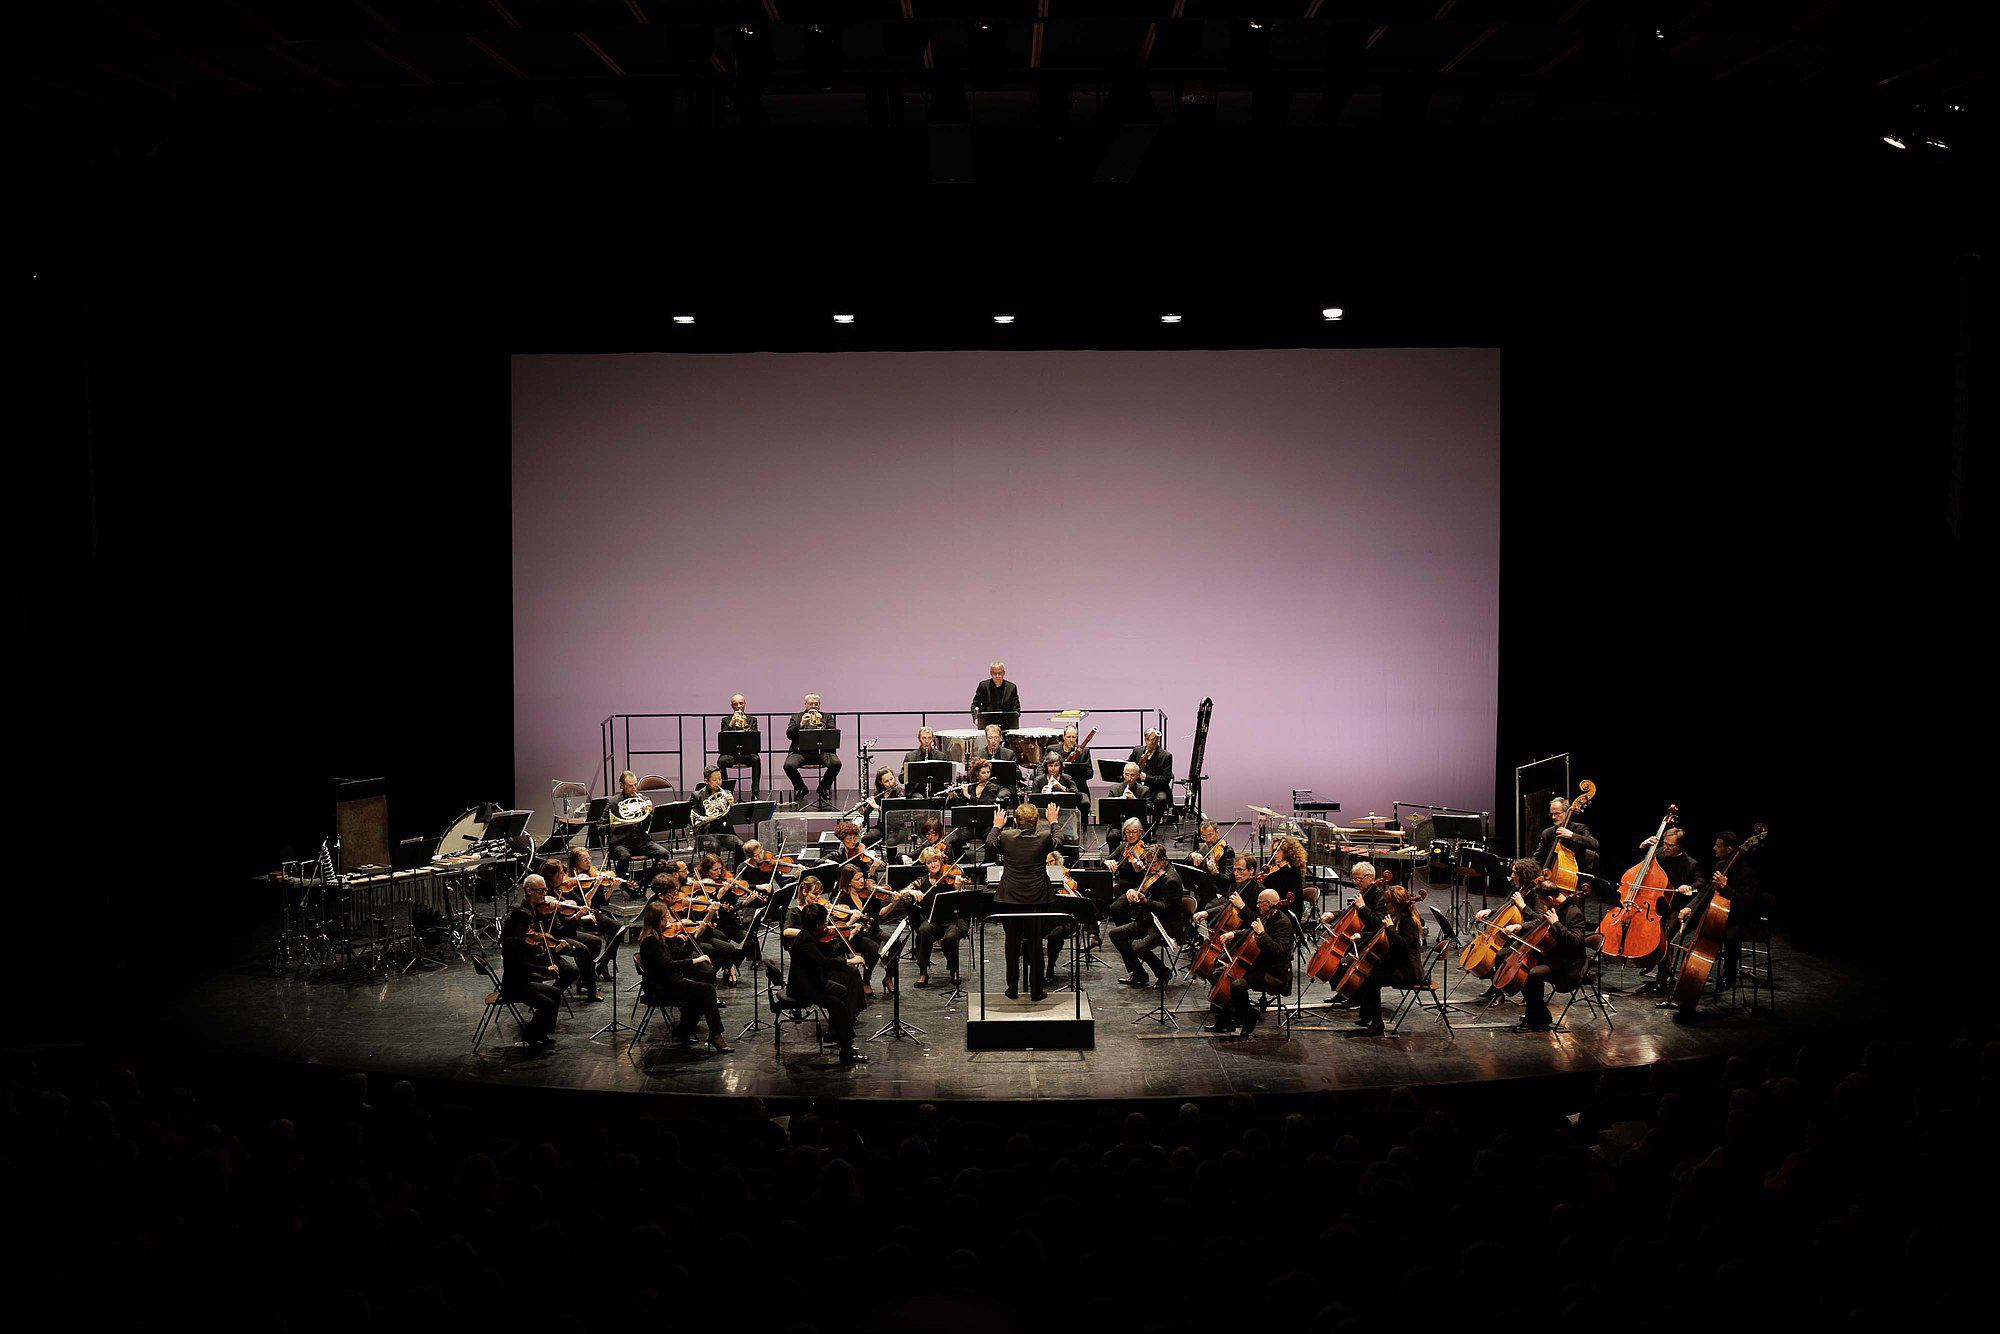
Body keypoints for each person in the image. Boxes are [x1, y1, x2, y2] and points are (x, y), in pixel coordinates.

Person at [1662, 828, 1769, 1013]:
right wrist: (1690, 907)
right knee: (1683, 925)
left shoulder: (1748, 872)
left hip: (1740, 918)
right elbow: (1706, 891)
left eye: (1718, 846)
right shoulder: (1721, 865)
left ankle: (1729, 974)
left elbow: (1745, 903)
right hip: (1717, 914)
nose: (1714, 848)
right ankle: (1670, 978)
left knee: (1730, 935)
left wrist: (1725, 888)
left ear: (1729, 849)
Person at [985, 801, 1062, 1000]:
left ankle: (1012, 989)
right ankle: (1036, 991)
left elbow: (990, 844)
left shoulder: (1006, 837)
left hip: (1010, 898)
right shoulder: (1043, 838)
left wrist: (996, 826)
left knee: (1011, 944)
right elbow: (1059, 841)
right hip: (1036, 898)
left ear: (1016, 821)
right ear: (1036, 822)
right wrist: (1053, 821)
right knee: (1035, 945)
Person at [636, 900, 732, 1054]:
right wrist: (696, 960)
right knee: (707, 991)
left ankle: (684, 1030)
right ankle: (715, 1035)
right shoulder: (650, 941)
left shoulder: (661, 937)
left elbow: (678, 955)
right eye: (666, 917)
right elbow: (668, 965)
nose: (670, 920)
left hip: (670, 982)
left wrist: (696, 935)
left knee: (703, 993)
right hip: (660, 988)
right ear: (658, 920)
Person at [1209, 888, 1297, 1039]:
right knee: (1220, 971)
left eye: (1259, 903)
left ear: (1269, 903)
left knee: (1237, 985)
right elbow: (1250, 932)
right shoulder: (1267, 915)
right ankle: (1226, 1020)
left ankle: (1248, 1015)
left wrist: (1262, 933)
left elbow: (1277, 952)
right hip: (1259, 964)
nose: (1257, 906)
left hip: (1273, 972)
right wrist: (1233, 934)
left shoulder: (1283, 924)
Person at [787, 903, 867, 1065]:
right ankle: (846, 1050)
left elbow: (830, 951)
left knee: (842, 992)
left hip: (815, 982)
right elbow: (824, 961)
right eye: (824, 921)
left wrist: (849, 936)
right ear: (817, 925)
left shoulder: (809, 935)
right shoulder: (806, 941)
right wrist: (849, 961)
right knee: (838, 1005)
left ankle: (835, 1033)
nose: (827, 924)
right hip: (804, 988)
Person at [1347, 882, 1424, 1037]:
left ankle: (1377, 1024)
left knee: (1372, 980)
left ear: (1396, 904)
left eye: (1388, 903)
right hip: (1399, 964)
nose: (1386, 906)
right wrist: (1361, 935)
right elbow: (1380, 933)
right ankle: (1368, 1015)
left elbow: (1402, 945)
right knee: (1368, 974)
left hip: (1408, 970)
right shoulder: (1397, 917)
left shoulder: (1408, 921)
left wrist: (1390, 928)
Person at [1636, 826, 1706, 994]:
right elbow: (1641, 867)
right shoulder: (1659, 854)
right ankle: (1650, 958)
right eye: (1665, 843)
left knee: (1665, 937)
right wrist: (1643, 847)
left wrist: (1688, 886)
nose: (1666, 847)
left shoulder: (1690, 864)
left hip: (1677, 906)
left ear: (1679, 846)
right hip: (1657, 903)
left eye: (1670, 845)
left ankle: (1662, 979)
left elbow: (1701, 882)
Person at [1110, 845, 1182, 990]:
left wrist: (1145, 901)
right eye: (1148, 863)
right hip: (1149, 920)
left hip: (1165, 925)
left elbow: (1165, 908)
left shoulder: (1171, 880)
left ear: (1163, 861)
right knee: (1115, 934)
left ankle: (1163, 973)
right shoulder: (1153, 873)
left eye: (1153, 863)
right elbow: (1143, 888)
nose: (1149, 867)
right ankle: (1139, 974)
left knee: (1138, 948)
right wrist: (1133, 891)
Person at [525, 869, 603, 1002]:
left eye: (545, 890)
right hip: (540, 949)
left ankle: (586, 980)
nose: (544, 894)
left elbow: (560, 931)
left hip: (555, 939)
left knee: (592, 944)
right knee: (583, 951)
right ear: (529, 891)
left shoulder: (548, 907)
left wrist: (577, 916)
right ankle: (588, 988)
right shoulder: (522, 912)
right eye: (540, 891)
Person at [499, 891, 561, 1047]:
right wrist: (546, 969)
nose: (531, 928)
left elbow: (532, 959)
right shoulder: (511, 942)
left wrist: (552, 951)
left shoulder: (520, 939)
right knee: (547, 1003)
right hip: (514, 987)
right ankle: (531, 1035)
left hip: (523, 982)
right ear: (521, 926)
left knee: (555, 993)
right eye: (529, 924)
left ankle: (543, 1031)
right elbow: (523, 966)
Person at [911, 846, 968, 988]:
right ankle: (923, 971)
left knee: (951, 936)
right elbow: (902, 892)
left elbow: (962, 902)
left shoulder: (950, 877)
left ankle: (954, 969)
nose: (933, 865)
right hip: (933, 919)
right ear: (925, 865)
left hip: (954, 918)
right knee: (923, 930)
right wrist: (913, 892)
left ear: (941, 860)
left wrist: (958, 888)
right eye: (929, 862)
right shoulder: (921, 881)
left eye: (935, 860)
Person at [608, 770, 671, 883]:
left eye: (635, 785)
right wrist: (618, 824)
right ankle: (623, 884)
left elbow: (648, 826)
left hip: (641, 841)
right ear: (621, 785)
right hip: (621, 843)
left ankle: (647, 880)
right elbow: (600, 826)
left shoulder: (643, 801)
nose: (634, 789)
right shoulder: (613, 802)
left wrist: (649, 814)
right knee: (624, 856)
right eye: (630, 786)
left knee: (664, 854)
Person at [783, 693, 841, 805]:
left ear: (820, 704)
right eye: (810, 704)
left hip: (822, 752)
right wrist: (801, 724)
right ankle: (800, 788)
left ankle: (824, 787)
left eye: (816, 704)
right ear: (805, 704)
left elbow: (832, 733)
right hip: (801, 752)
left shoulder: (827, 717)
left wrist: (822, 722)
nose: (813, 707)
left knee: (836, 764)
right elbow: (789, 735)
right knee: (788, 765)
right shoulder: (796, 717)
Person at [689, 765, 743, 858]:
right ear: (706, 781)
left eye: (720, 779)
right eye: (714, 780)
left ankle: (737, 868)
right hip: (707, 832)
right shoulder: (697, 795)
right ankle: (713, 867)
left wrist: (732, 806)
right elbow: (692, 816)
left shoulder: (727, 794)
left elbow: (731, 817)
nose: (718, 782)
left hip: (725, 831)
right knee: (715, 846)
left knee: (740, 846)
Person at [1127, 729, 1174, 827]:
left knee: (1161, 799)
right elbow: (1128, 765)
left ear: (1158, 740)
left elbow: (1165, 779)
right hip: (1139, 787)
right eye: (1148, 739)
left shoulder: (1166, 756)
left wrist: (1147, 778)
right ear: (1145, 739)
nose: (1150, 742)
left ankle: (1153, 828)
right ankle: (1133, 826)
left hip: (1157, 789)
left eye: (1153, 740)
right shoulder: (1137, 751)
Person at [718, 693, 761, 797]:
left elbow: (753, 737)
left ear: (745, 704)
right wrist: (731, 724)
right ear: (732, 706)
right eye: (736, 704)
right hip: (731, 754)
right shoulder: (725, 720)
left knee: (756, 759)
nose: (739, 706)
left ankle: (755, 792)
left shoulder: (752, 720)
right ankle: (727, 792)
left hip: (747, 754)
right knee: (721, 761)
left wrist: (745, 723)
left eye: (741, 703)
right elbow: (723, 736)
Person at [901, 727, 954, 798]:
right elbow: (901, 778)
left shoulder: (940, 756)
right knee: (919, 798)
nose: (926, 741)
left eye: (929, 738)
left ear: (932, 739)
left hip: (936, 792)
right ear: (919, 739)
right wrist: (916, 773)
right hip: (916, 792)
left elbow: (947, 778)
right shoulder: (910, 757)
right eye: (923, 738)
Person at [971, 661, 1020, 732]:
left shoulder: (1011, 687)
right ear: (991, 673)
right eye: (995, 673)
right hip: (987, 727)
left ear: (1004, 673)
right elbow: (975, 705)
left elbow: (1016, 708)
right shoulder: (983, 686)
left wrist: (1013, 720)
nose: (997, 676)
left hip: (1006, 727)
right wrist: (976, 719)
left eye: (1000, 673)